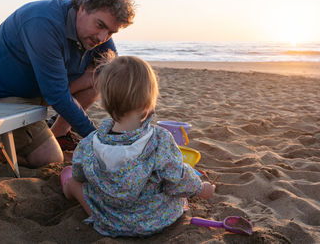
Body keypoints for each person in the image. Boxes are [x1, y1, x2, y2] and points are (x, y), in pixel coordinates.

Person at [0, 0, 135, 167]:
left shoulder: (95, 32)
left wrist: (128, 124)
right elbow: (56, 94)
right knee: (50, 159)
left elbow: (114, 75)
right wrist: (99, 140)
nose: (102, 38)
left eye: (111, 33)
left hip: (39, 89)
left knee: (101, 73)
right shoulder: (43, 24)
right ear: (83, 7)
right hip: (2, 94)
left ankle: (59, 133)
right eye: (100, 25)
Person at [60, 56, 216, 237]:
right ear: (148, 102)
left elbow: (80, 174)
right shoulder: (160, 140)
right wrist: (202, 188)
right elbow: (178, 180)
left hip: (110, 221)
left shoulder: (88, 144)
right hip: (158, 219)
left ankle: (67, 190)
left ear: (105, 101)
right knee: (175, 188)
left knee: (73, 182)